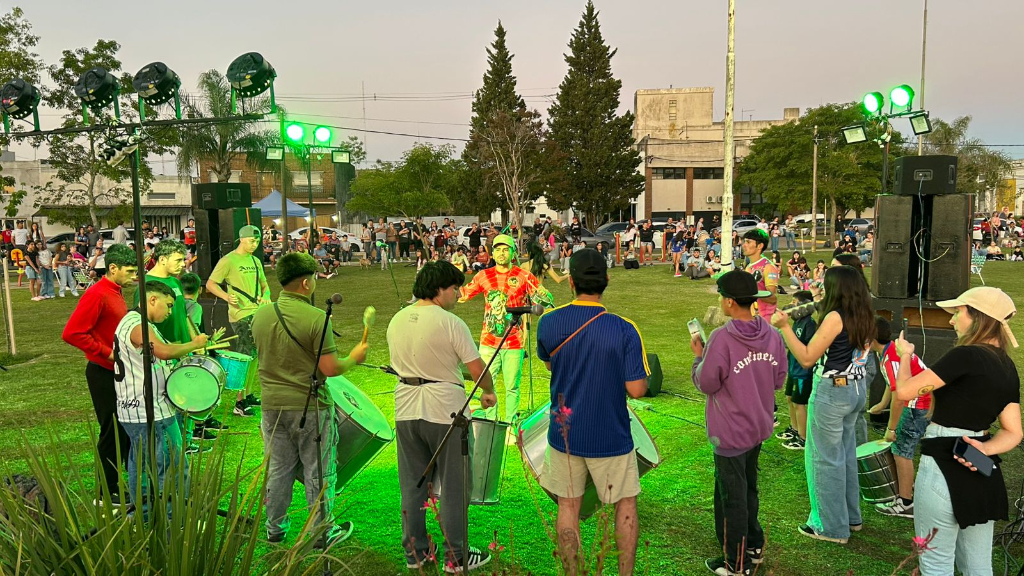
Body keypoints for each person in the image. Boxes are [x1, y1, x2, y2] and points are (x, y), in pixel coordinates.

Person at [536, 248, 649, 576]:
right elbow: (637, 389)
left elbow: (550, 365)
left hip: (565, 432)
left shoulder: (548, 322)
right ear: (607, 280)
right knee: (625, 504)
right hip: (610, 433)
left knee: (567, 505)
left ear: (571, 282)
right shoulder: (625, 329)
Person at [894, 287, 1022, 575]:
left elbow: (904, 392)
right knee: (978, 565)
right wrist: (984, 448)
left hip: (943, 462)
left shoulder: (965, 356)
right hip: (981, 466)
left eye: (958, 312)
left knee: (935, 563)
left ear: (978, 317)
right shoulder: (1006, 365)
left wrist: (904, 356)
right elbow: (1013, 431)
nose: (951, 320)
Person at [387, 261, 498, 573]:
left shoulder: (397, 319)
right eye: (454, 288)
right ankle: (456, 555)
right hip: (445, 413)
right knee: (453, 486)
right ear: (438, 289)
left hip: (406, 410)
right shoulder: (451, 323)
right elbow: (477, 369)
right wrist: (489, 391)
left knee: (413, 484)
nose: (458, 294)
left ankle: (415, 551)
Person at [250, 252, 367, 546]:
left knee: (278, 469)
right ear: (305, 283)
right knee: (319, 470)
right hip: (310, 406)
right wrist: (353, 358)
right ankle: (322, 531)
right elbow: (329, 369)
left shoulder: (260, 315)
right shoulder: (316, 318)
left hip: (272, 406)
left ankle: (274, 528)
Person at [772, 266, 875, 544]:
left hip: (832, 392)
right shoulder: (866, 313)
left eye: (825, 286)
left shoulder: (835, 317)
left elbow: (807, 357)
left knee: (824, 459)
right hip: (855, 389)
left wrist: (785, 328)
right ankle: (850, 518)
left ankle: (830, 527)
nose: (820, 290)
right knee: (845, 454)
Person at [692, 270, 786, 575]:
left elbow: (707, 382)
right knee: (747, 488)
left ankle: (737, 562)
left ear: (730, 301)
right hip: (757, 426)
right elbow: (779, 379)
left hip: (730, 432)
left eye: (722, 296)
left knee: (732, 496)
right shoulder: (771, 334)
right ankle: (754, 545)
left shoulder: (722, 338)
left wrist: (699, 358)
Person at [114, 280, 208, 518]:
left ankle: (144, 516)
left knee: (141, 466)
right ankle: (173, 521)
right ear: (152, 299)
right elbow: (163, 351)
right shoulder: (137, 324)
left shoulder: (134, 322)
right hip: (151, 410)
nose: (169, 312)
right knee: (172, 466)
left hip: (134, 408)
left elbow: (162, 347)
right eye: (168, 305)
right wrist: (194, 344)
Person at [62, 244, 137, 506]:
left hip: (117, 371)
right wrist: (108, 354)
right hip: (102, 372)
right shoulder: (97, 294)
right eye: (130, 271)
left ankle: (126, 482)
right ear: (113, 268)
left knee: (124, 429)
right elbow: (72, 333)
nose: (134, 276)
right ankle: (106, 492)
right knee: (112, 431)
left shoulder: (115, 291)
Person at [458, 234, 541, 423]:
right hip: (489, 342)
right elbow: (463, 294)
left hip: (514, 342)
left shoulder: (524, 276)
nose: (501, 253)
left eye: (506, 249)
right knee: (486, 384)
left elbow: (542, 299)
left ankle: (511, 425)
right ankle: (490, 424)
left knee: (512, 386)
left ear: (513, 253)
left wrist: (542, 298)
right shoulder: (483, 276)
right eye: (498, 249)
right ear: (492, 253)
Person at [865, 316, 928, 519]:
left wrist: (891, 428)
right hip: (917, 402)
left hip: (916, 405)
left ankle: (906, 502)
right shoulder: (887, 351)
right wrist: (882, 405)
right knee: (901, 450)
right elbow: (892, 384)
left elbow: (899, 396)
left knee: (901, 452)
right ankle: (907, 491)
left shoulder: (891, 356)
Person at [206, 225, 271, 416]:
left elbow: (265, 285)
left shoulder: (255, 260)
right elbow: (211, 284)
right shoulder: (228, 260)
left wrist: (266, 295)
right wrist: (226, 297)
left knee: (255, 355)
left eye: (257, 241)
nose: (255, 244)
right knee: (246, 354)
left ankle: (248, 394)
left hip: (258, 312)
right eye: (252, 241)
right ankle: (239, 401)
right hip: (240, 314)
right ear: (241, 239)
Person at [776, 291, 818, 451]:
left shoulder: (809, 324)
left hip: (803, 373)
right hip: (793, 369)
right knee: (789, 398)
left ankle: (803, 437)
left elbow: (809, 348)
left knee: (799, 403)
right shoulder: (796, 322)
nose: (791, 305)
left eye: (794, 302)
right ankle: (794, 428)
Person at [741, 229, 778, 321]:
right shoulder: (749, 267)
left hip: (765, 318)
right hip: (751, 317)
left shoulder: (768, 267)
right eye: (744, 242)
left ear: (760, 246)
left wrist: (751, 292)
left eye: (748, 242)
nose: (744, 245)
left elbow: (772, 298)